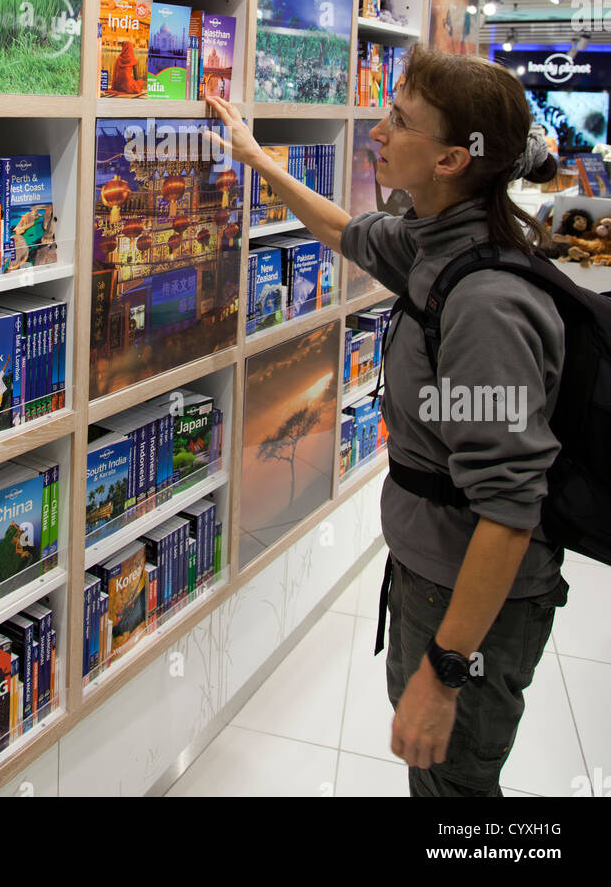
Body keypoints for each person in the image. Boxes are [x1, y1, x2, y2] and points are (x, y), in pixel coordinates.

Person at [207, 43, 569, 798]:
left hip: (467, 601)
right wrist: (254, 157)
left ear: (448, 162)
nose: (378, 129)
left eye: (399, 120)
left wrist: (444, 672)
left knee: (453, 794)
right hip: (432, 576)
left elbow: (508, 510)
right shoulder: (437, 244)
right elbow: (347, 232)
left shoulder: (484, 304)